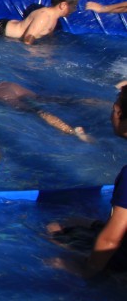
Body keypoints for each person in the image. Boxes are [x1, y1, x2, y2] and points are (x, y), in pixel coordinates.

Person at [48, 81, 127, 278]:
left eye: (114, 108)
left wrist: (88, 272)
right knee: (74, 221)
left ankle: (109, 282)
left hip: (119, 257)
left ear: (119, 113)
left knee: (53, 232)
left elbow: (111, 239)